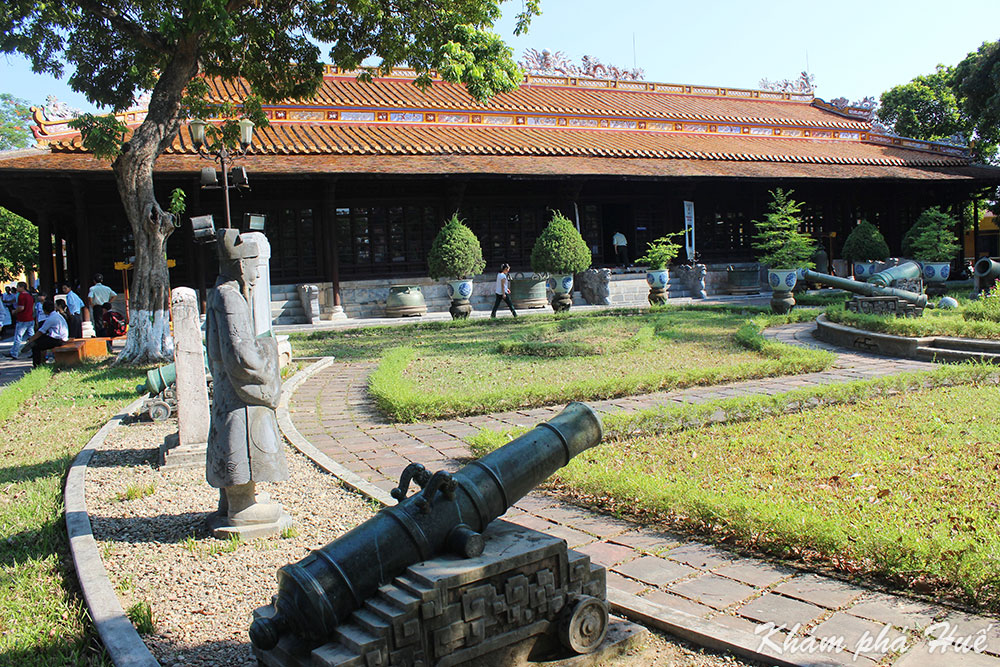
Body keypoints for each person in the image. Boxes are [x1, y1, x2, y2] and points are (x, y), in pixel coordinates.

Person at [24, 300, 69, 367]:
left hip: (58, 340)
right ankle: (42, 360)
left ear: (45, 310)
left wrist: (32, 339)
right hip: (62, 337)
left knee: (35, 345)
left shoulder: (50, 318)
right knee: (40, 339)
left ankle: (37, 365)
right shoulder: (57, 315)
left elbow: (40, 331)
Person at [9, 282, 35, 358]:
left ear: (22, 287)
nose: (17, 288)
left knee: (18, 336)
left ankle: (14, 353)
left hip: (23, 319)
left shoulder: (21, 296)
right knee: (32, 336)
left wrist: (14, 311)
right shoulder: (30, 296)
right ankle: (35, 351)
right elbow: (32, 308)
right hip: (30, 318)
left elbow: (21, 307)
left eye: (18, 287)